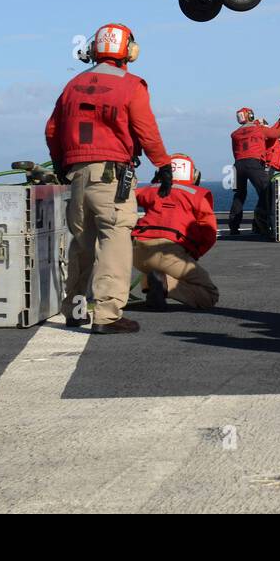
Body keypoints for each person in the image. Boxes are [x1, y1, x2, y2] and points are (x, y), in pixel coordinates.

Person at [45, 22, 170, 335]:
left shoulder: (72, 85)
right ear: (128, 50)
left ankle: (74, 310)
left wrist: (62, 163)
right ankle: (107, 314)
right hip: (111, 175)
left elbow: (52, 130)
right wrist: (163, 164)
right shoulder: (132, 85)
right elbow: (146, 129)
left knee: (81, 244)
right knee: (114, 241)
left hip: (77, 174)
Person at [132, 154, 220, 310]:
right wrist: (195, 253)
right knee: (209, 295)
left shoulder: (151, 190)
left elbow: (127, 198)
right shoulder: (197, 194)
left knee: (154, 268)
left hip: (137, 251)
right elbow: (209, 233)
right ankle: (165, 284)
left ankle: (154, 287)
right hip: (170, 251)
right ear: (194, 175)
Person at [228, 101, 280, 236]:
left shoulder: (235, 134)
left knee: (239, 196)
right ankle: (264, 224)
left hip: (237, 165)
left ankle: (233, 227)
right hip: (253, 164)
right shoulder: (259, 129)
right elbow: (278, 133)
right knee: (266, 192)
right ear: (250, 116)